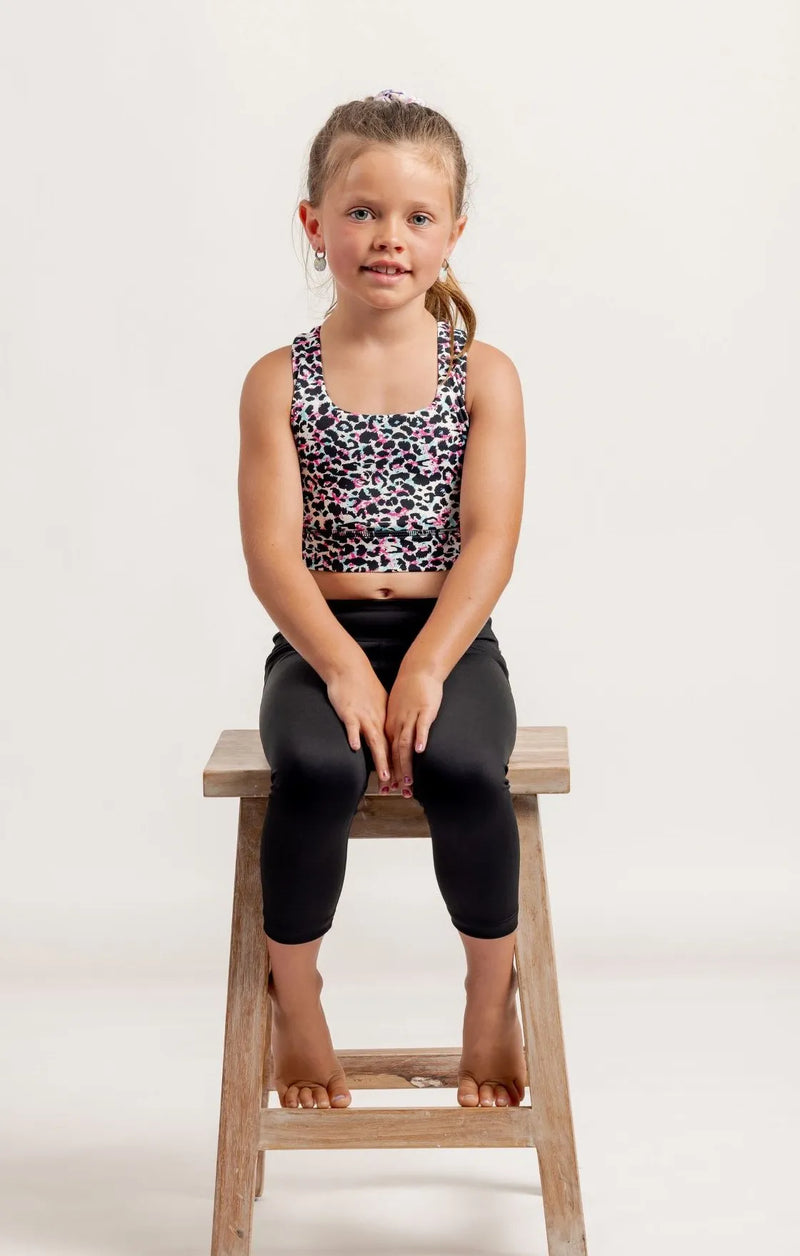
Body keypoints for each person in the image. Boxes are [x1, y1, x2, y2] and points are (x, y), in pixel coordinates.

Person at [237, 89, 527, 1114]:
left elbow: (489, 539)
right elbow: (271, 556)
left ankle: (488, 998)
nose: (386, 239)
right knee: (314, 769)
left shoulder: (480, 373)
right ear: (313, 224)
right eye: (360, 212)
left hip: (449, 638)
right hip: (321, 642)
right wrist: (346, 667)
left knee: (463, 767)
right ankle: (298, 994)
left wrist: (429, 664)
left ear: (451, 234)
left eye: (415, 217)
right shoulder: (279, 378)